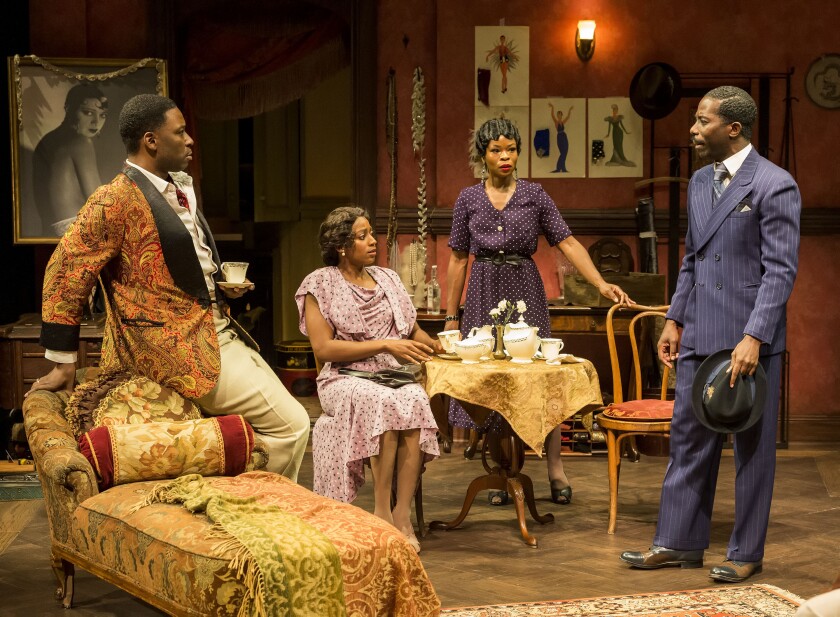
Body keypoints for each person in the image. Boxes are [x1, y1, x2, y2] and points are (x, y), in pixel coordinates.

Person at [27, 94, 310, 481]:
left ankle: (237, 495)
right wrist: (63, 362)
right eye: (180, 132)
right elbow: (64, 270)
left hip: (214, 328)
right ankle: (260, 510)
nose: (190, 139)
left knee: (282, 421)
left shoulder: (177, 188)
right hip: (173, 345)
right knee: (292, 425)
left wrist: (218, 288)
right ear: (151, 141)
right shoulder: (115, 199)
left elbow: (175, 266)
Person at [620, 86, 801, 583]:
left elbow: (780, 272)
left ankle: (746, 552)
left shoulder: (774, 184)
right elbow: (693, 258)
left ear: (733, 129)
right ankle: (677, 542)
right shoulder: (700, 181)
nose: (694, 130)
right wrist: (674, 319)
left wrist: (755, 337)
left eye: (703, 122)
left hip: (748, 339)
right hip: (700, 331)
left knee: (751, 450)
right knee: (688, 441)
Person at [444, 117, 630, 506]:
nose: (505, 156)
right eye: (496, 150)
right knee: (490, 382)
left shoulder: (535, 195)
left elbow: (568, 242)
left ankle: (555, 468)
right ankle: (502, 470)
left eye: (511, 148)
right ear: (483, 155)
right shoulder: (468, 199)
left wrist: (600, 283)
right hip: (483, 292)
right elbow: (459, 260)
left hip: (524, 289)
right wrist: (451, 316)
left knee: (540, 379)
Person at [296, 206, 442, 553]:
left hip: (389, 374)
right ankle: (380, 513)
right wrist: (384, 345)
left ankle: (401, 514)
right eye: (362, 236)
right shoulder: (320, 283)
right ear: (342, 246)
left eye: (371, 233)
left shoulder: (387, 279)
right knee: (384, 402)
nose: (372, 241)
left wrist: (436, 344)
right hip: (342, 378)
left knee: (416, 400)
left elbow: (411, 330)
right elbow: (324, 347)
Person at [33, 84, 109, 237]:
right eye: (88, 112)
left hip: (49, 233)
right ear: (69, 109)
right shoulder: (81, 142)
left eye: (102, 115)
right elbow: (98, 202)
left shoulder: (46, 141)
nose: (96, 121)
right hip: (78, 232)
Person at [548, 102, 573, 173]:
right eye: (558, 115)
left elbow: (568, 117)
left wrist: (570, 110)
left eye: (560, 115)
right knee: (562, 153)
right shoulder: (556, 122)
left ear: (561, 116)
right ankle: (559, 168)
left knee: (565, 152)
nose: (559, 116)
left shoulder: (562, 122)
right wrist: (552, 107)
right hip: (559, 137)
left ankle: (563, 168)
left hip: (564, 136)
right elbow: (552, 115)